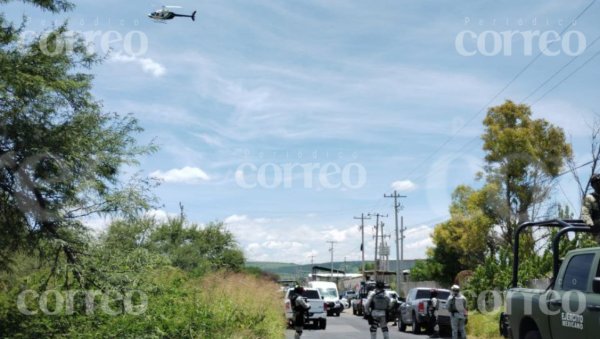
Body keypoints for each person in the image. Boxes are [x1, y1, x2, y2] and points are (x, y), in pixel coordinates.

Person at [581, 173, 600, 242]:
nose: (599, 184)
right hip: (597, 230)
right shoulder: (589, 198)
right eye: (597, 182)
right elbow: (585, 214)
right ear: (593, 185)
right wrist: (592, 226)